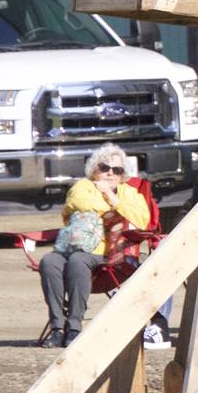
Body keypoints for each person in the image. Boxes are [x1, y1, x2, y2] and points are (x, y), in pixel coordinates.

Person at [39, 143, 152, 347]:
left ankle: (73, 328)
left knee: (78, 260)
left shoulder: (131, 194)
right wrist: (115, 211)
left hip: (108, 254)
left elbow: (141, 221)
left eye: (116, 170)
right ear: (94, 170)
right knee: (49, 261)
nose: (110, 173)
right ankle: (57, 328)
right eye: (104, 168)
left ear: (122, 174)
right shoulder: (83, 186)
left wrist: (111, 196)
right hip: (72, 245)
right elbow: (79, 204)